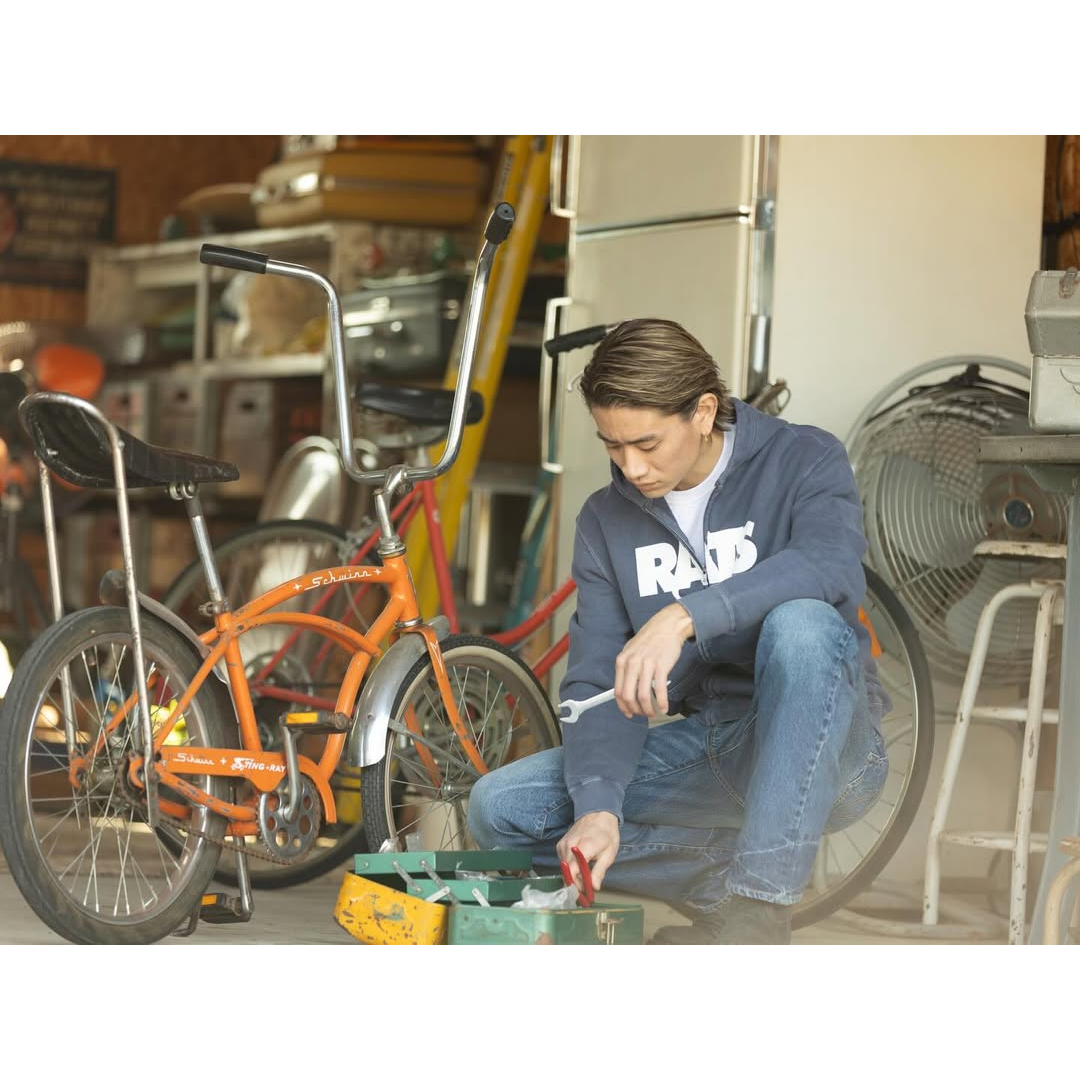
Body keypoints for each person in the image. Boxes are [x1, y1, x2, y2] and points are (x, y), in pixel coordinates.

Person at [468, 318, 891, 944]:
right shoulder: (604, 521)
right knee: (499, 809)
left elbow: (828, 565)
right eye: (613, 446)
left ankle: (757, 915)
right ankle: (724, 899)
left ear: (704, 412)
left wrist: (685, 616)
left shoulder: (804, 457)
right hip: (715, 746)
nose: (632, 467)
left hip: (834, 751)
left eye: (647, 443)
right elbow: (597, 678)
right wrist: (599, 808)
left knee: (801, 624)